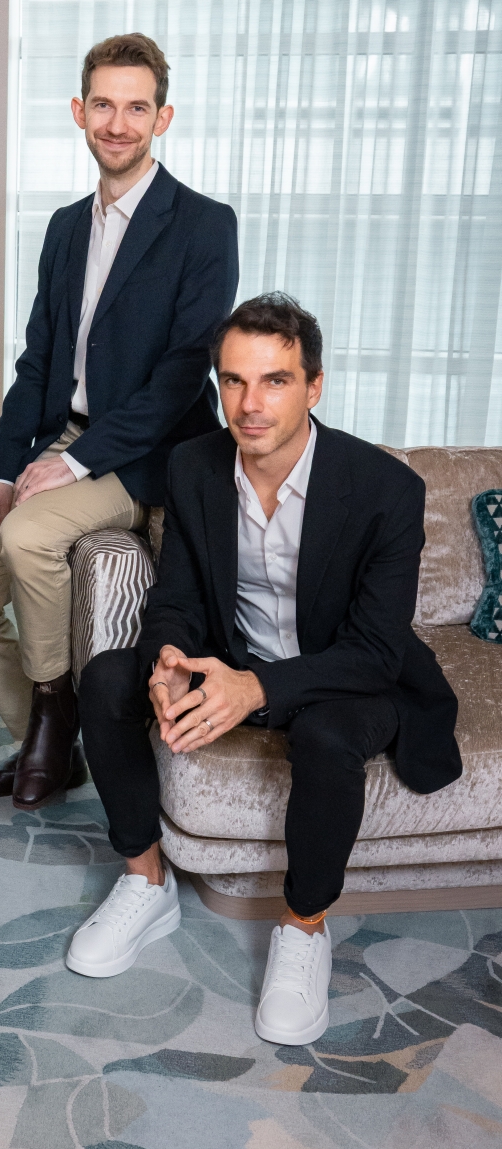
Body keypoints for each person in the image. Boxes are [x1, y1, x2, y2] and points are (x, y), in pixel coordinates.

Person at [68, 293, 462, 1045]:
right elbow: (177, 595)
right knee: (108, 678)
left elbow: (376, 650)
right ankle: (146, 880)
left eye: (275, 380)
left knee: (326, 735)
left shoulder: (385, 490)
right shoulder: (195, 466)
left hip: (344, 676)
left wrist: (258, 688)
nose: (250, 405)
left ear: (314, 386)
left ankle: (305, 925)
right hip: (234, 658)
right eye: (234, 381)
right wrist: (169, 658)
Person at [0, 33, 240, 811]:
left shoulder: (205, 225)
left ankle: (49, 725)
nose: (118, 122)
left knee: (32, 536)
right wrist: (3, 469)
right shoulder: (67, 227)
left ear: (162, 117)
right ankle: (50, 742)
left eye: (136, 107)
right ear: (79, 112)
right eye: (103, 104)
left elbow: (181, 376)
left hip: (148, 455)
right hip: (67, 438)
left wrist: (73, 465)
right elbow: (37, 364)